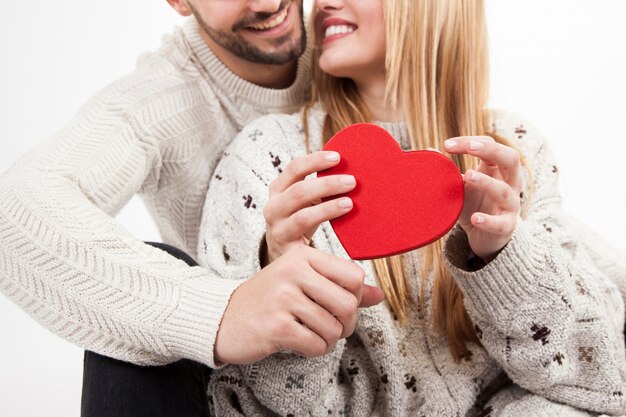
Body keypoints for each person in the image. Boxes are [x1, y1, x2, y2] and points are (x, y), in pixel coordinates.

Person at [198, 0, 626, 415]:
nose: (323, 3)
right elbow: (264, 406)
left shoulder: (512, 148)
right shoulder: (269, 160)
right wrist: (288, 294)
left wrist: (503, 257)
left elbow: (597, 380)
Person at [0, 0, 384, 415]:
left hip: (383, 375)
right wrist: (220, 311)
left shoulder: (353, 43)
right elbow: (14, 212)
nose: (268, 4)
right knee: (137, 323)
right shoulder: (160, 101)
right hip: (248, 387)